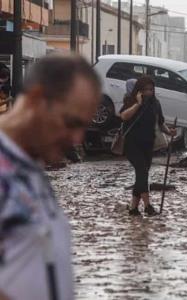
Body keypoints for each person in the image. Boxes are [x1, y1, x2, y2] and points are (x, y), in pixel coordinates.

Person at [0, 54, 101, 300]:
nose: (76, 139)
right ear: (36, 99)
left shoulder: (30, 168)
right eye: (70, 122)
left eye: (83, 127)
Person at [120, 76, 176, 217]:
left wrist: (169, 132)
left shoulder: (155, 103)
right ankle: (147, 206)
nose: (149, 92)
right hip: (132, 144)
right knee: (142, 172)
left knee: (142, 176)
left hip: (148, 144)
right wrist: (138, 104)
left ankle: (133, 208)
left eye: (151, 90)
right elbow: (124, 116)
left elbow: (160, 122)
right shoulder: (130, 101)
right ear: (139, 90)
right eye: (145, 90)